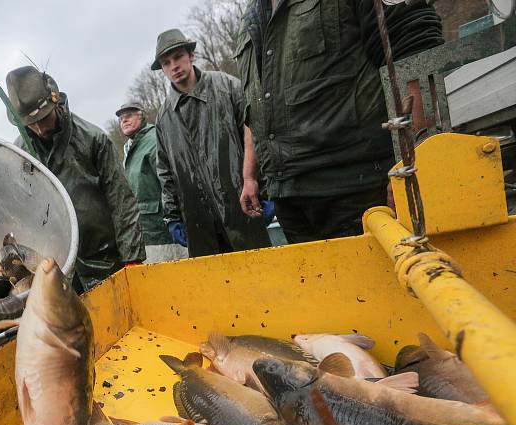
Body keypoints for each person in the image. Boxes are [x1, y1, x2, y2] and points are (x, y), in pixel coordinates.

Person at [235, 0, 444, 243]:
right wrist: (249, 176)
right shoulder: (251, 16)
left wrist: (413, 164)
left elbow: (414, 53)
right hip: (288, 200)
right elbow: (255, 103)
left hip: (360, 190)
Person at [6, 66, 146, 291]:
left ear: (55, 104)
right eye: (31, 124)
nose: (40, 128)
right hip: (57, 265)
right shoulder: (21, 152)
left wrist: (133, 257)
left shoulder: (93, 139)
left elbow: (122, 202)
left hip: (105, 261)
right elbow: (21, 210)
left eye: (44, 118)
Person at [153, 28, 271, 258]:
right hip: (199, 223)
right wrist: (172, 216)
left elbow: (256, 135)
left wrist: (266, 189)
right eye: (166, 63)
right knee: (216, 289)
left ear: (191, 55)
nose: (174, 66)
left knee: (261, 281)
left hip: (244, 207)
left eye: (178, 57)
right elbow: (165, 171)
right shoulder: (164, 117)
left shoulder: (228, 87)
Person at [115, 102, 188, 264]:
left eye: (129, 116)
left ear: (142, 116)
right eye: (121, 119)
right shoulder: (131, 147)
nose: (124, 121)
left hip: (164, 230)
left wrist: (174, 218)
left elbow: (171, 182)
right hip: (147, 230)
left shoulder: (153, 140)